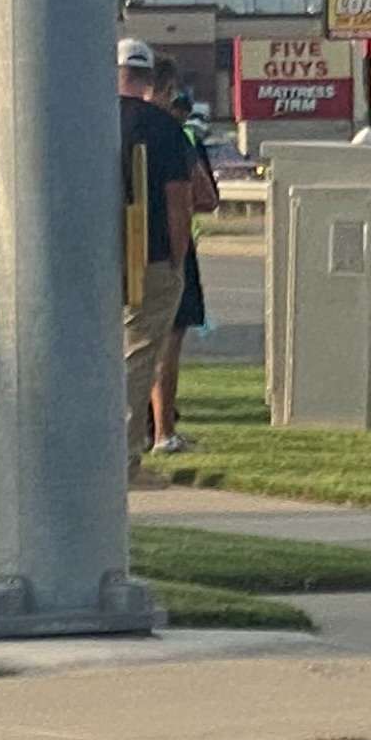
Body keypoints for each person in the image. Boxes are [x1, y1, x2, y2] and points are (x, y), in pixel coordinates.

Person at [114, 39, 212, 468]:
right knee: (139, 354)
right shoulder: (161, 126)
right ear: (150, 78)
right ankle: (123, 453)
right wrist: (175, 260)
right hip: (148, 255)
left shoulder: (84, 121)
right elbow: (181, 199)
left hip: (90, 256)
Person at [144, 54, 214, 455]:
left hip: (121, 246)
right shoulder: (176, 135)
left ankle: (140, 427)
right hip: (171, 249)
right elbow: (204, 196)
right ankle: (163, 431)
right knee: (166, 344)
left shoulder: (112, 126)